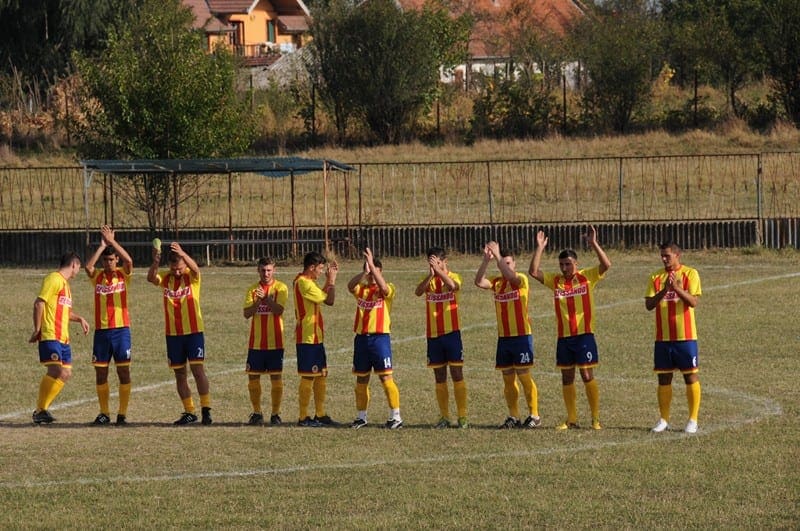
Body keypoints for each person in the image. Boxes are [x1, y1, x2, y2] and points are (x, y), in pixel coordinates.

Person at [529, 226, 610, 431]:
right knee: (567, 377)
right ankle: (571, 419)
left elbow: (606, 265)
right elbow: (533, 272)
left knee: (587, 376)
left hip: (584, 336)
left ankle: (595, 418)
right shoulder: (556, 281)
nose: (564, 268)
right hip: (564, 338)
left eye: (568, 264)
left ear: (576, 263)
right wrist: (540, 248)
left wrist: (593, 243)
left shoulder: (587, 277)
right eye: (562, 264)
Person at [475, 241, 541, 429]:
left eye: (509, 263)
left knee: (524, 375)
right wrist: (486, 261)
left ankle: (534, 415)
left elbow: (512, 277)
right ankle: (514, 416)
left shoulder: (520, 279)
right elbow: (479, 281)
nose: (506, 267)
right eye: (504, 263)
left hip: (521, 336)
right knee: (508, 378)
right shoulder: (497, 283)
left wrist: (498, 257)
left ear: (515, 264)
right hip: (504, 338)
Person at [147, 242, 212, 425]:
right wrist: (155, 261)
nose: (177, 272)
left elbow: (196, 269)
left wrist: (183, 253)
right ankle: (189, 411)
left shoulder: (191, 277)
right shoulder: (166, 278)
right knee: (180, 374)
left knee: (198, 371)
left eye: (180, 268)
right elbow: (151, 278)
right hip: (173, 334)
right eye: (174, 268)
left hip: (193, 332)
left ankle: (206, 409)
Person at [645, 241, 702, 434]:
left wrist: (676, 289)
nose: (663, 259)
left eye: (667, 256)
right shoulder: (655, 277)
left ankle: (693, 419)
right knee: (664, 378)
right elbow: (649, 305)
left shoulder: (690, 274)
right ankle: (663, 419)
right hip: (662, 338)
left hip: (686, 337)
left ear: (678, 255)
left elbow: (693, 302)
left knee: (690, 376)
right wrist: (665, 290)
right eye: (662, 255)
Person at [29, 252, 90, 424]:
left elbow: (64, 311)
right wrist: (37, 329)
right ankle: (40, 410)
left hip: (64, 338)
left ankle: (41, 411)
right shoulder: (54, 279)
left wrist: (80, 319)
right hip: (51, 334)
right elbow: (39, 303)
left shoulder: (66, 286)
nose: (78, 271)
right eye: (79, 267)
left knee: (66, 373)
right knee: (56, 371)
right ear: (74, 265)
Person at [347, 248, 402, 429]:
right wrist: (364, 273)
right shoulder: (362, 289)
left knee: (386, 377)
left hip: (380, 339)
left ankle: (396, 416)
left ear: (381, 272)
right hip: (361, 339)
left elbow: (384, 289)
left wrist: (371, 265)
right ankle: (361, 417)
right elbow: (350, 286)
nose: (371, 276)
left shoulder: (388, 288)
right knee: (361, 380)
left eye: (374, 272)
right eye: (369, 272)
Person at [84, 225, 135, 426]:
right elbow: (88, 267)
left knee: (123, 372)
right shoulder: (98, 277)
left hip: (121, 331)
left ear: (116, 260)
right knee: (101, 372)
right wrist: (101, 246)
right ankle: (104, 412)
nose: (108, 263)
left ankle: (122, 413)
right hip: (102, 332)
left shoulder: (123, 275)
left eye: (111, 259)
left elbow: (129, 261)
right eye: (105, 260)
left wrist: (112, 242)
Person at [415, 246, 468, 428]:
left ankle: (462, 416)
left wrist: (439, 271)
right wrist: (431, 275)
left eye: (437, 262)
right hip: (433, 335)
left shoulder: (454, 276)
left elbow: (453, 286)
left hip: (452, 333)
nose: (434, 265)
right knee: (439, 376)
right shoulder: (429, 281)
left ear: (445, 261)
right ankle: (444, 417)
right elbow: (418, 292)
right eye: (431, 262)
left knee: (457, 373)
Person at [293, 251, 338, 427]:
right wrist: (332, 281)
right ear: (311, 267)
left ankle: (320, 413)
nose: (321, 272)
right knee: (308, 377)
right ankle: (303, 417)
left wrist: (328, 281)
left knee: (321, 375)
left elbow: (321, 295)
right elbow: (329, 301)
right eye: (320, 269)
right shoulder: (303, 283)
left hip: (316, 337)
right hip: (307, 337)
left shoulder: (308, 281)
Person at [242, 257, 288, 426]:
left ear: (274, 270)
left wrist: (267, 299)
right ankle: (257, 413)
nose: (266, 273)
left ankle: (275, 414)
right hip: (256, 343)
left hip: (276, 342)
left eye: (269, 270)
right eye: (263, 270)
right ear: (258, 270)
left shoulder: (281, 288)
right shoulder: (252, 289)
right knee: (253, 377)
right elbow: (247, 314)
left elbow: (278, 310)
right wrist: (257, 302)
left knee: (276, 377)